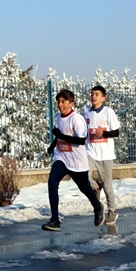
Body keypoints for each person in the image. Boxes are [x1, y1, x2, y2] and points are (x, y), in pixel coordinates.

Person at [43, 88, 105, 231]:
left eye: (63, 102)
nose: (60, 105)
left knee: (84, 188)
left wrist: (60, 136)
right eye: (58, 102)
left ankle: (97, 206)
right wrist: (52, 146)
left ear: (72, 103)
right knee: (52, 182)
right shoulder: (59, 116)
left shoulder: (77, 119)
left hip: (77, 162)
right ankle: (55, 220)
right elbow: (61, 134)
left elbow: (81, 140)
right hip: (62, 157)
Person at [83, 85, 122, 225]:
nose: (94, 96)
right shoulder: (86, 112)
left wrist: (104, 133)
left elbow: (116, 132)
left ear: (103, 98)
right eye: (92, 94)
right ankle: (96, 187)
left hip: (105, 155)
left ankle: (113, 211)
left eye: (97, 94)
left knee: (108, 186)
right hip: (91, 152)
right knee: (83, 175)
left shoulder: (108, 112)